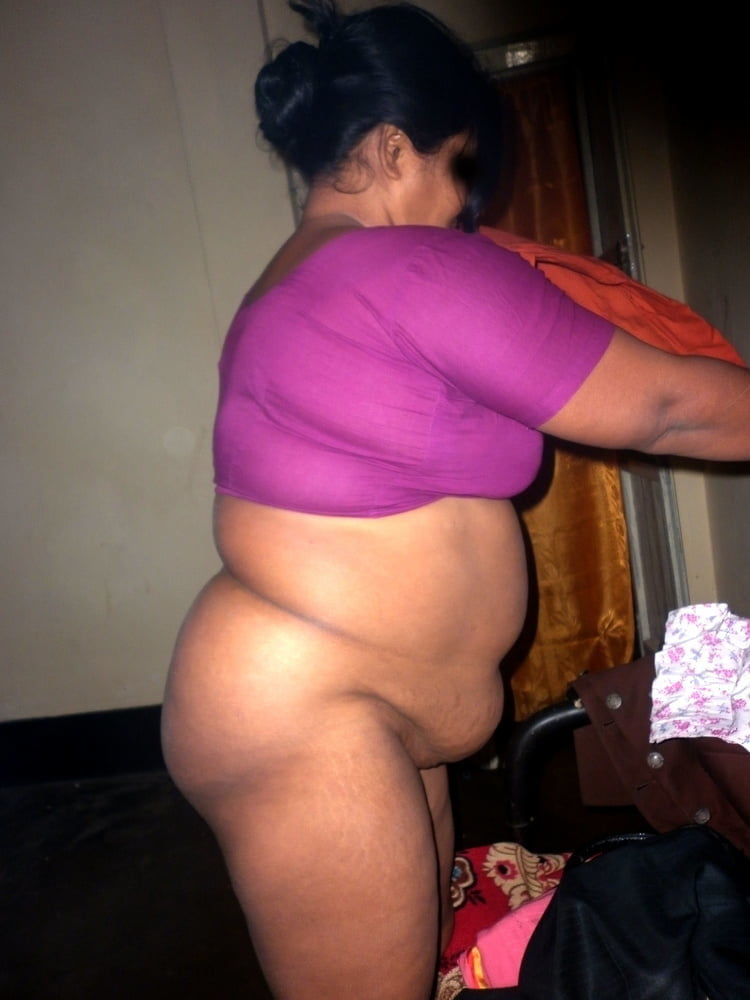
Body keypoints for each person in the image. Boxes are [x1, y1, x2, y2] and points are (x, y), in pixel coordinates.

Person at [160, 2, 750, 998]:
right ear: (394, 147)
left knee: (426, 961)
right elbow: (663, 408)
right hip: (308, 710)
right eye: (460, 169)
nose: (468, 205)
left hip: (354, 704)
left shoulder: (303, 281)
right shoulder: (403, 268)